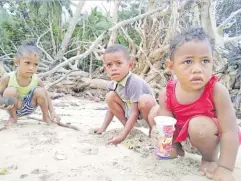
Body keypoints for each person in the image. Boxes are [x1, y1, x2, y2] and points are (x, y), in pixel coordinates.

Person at [148, 28, 241, 181]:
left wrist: (224, 168)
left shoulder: (217, 91)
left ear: (213, 62)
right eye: (188, 62)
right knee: (155, 113)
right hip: (186, 138)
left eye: (205, 61)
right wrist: (164, 146)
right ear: (172, 67)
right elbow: (166, 125)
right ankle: (175, 148)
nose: (197, 69)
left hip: (208, 139)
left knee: (198, 125)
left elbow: (230, 131)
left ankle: (209, 159)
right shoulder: (167, 92)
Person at [94, 44, 156, 144]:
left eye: (118, 63)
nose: (114, 68)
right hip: (130, 115)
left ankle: (152, 131)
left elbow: (135, 112)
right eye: (109, 65)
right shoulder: (112, 84)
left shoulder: (134, 82)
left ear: (130, 65)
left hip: (147, 117)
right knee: (110, 96)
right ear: (105, 68)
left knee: (145, 100)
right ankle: (129, 129)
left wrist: (122, 137)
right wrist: (103, 128)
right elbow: (111, 109)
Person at [0, 41, 60, 125]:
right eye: (27, 63)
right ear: (17, 61)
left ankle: (46, 117)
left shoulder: (36, 80)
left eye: (36, 64)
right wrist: (2, 102)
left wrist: (52, 111)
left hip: (30, 106)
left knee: (40, 91)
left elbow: (46, 95)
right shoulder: (8, 78)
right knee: (10, 91)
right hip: (14, 106)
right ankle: (13, 117)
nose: (31, 68)